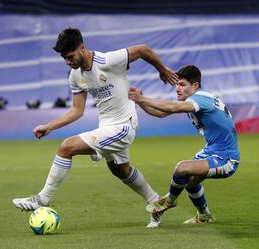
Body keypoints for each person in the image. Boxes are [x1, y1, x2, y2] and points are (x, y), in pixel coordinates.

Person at [12, 27, 178, 228]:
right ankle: (155, 202)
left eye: (70, 56)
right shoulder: (75, 76)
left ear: (82, 48)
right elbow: (77, 110)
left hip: (123, 126)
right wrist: (49, 126)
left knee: (67, 147)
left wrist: (162, 69)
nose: (68, 62)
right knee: (120, 170)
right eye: (64, 58)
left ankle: (43, 198)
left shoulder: (108, 61)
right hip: (107, 126)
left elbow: (142, 49)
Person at [128, 65, 240, 224]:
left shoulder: (200, 99)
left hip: (226, 158)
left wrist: (141, 98)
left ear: (194, 86)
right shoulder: (196, 99)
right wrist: (139, 101)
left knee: (182, 169)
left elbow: (172, 107)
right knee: (190, 181)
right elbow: (160, 113)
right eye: (176, 84)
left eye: (182, 84)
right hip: (212, 151)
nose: (177, 88)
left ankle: (169, 201)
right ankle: (204, 216)